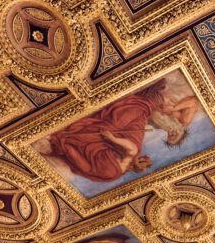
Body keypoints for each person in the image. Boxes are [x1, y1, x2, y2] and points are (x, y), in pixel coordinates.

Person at [43, 78, 197, 182]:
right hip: (119, 135)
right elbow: (131, 147)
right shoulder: (124, 161)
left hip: (106, 138)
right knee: (132, 117)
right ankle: (149, 101)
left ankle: (149, 101)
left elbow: (86, 165)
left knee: (120, 121)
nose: (170, 134)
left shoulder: (114, 169)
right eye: (173, 135)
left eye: (171, 137)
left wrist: (111, 139)